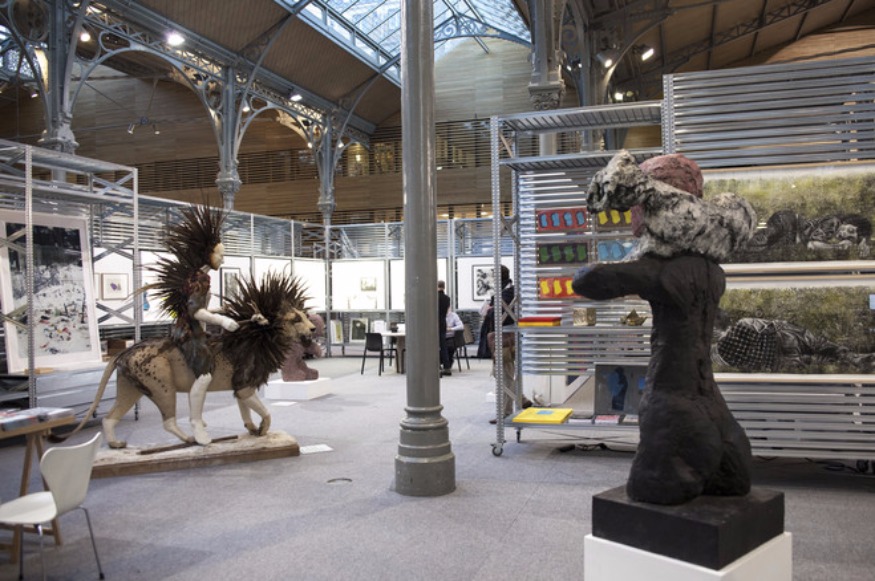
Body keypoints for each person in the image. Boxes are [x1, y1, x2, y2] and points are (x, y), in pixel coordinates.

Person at [573, 150, 756, 505]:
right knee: (734, 485)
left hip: (672, 407)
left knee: (648, 495)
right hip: (714, 408)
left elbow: (587, 280)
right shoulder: (712, 272)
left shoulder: (662, 271)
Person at [150, 204, 240, 445]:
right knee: (205, 375)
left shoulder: (199, 276)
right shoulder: (200, 278)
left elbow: (198, 309)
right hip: (189, 333)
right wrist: (222, 320)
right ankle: (196, 421)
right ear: (207, 254)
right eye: (220, 254)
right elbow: (194, 311)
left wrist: (217, 311)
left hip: (195, 328)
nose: (223, 259)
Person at [437, 280, 452, 376]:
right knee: (443, 346)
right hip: (443, 323)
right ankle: (447, 367)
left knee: (433, 346)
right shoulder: (447, 298)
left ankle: (436, 366)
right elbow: (446, 312)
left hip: (434, 324)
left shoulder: (433, 297)